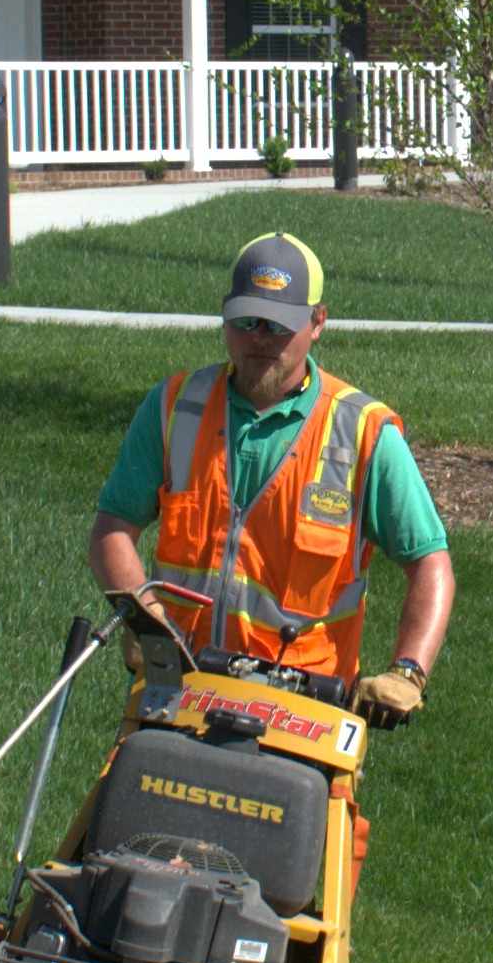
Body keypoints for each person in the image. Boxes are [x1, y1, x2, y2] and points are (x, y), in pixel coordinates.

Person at [82, 229, 454, 711]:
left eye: (277, 326)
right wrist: (146, 621)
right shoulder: (175, 409)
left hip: (305, 713)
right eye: (247, 322)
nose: (260, 340)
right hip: (180, 693)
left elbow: (431, 563)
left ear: (318, 322)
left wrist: (408, 672)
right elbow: (112, 528)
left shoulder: (362, 433)